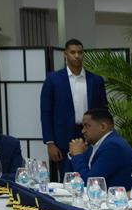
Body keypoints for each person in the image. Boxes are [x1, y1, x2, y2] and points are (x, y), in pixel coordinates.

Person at [39, 39, 108, 176]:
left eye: (80, 52)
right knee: (67, 176)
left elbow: (103, 110)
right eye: (73, 52)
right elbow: (46, 112)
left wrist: (103, 135)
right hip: (63, 136)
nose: (77, 56)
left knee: (90, 173)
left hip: (90, 134)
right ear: (65, 54)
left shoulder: (95, 80)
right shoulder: (53, 80)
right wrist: (50, 143)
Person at [67, 108, 132, 189]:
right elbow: (69, 178)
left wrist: (77, 155)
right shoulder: (94, 146)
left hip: (116, 200)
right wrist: (72, 154)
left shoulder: (113, 147)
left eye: (87, 126)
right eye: (83, 126)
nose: (83, 131)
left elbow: (89, 183)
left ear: (103, 126)